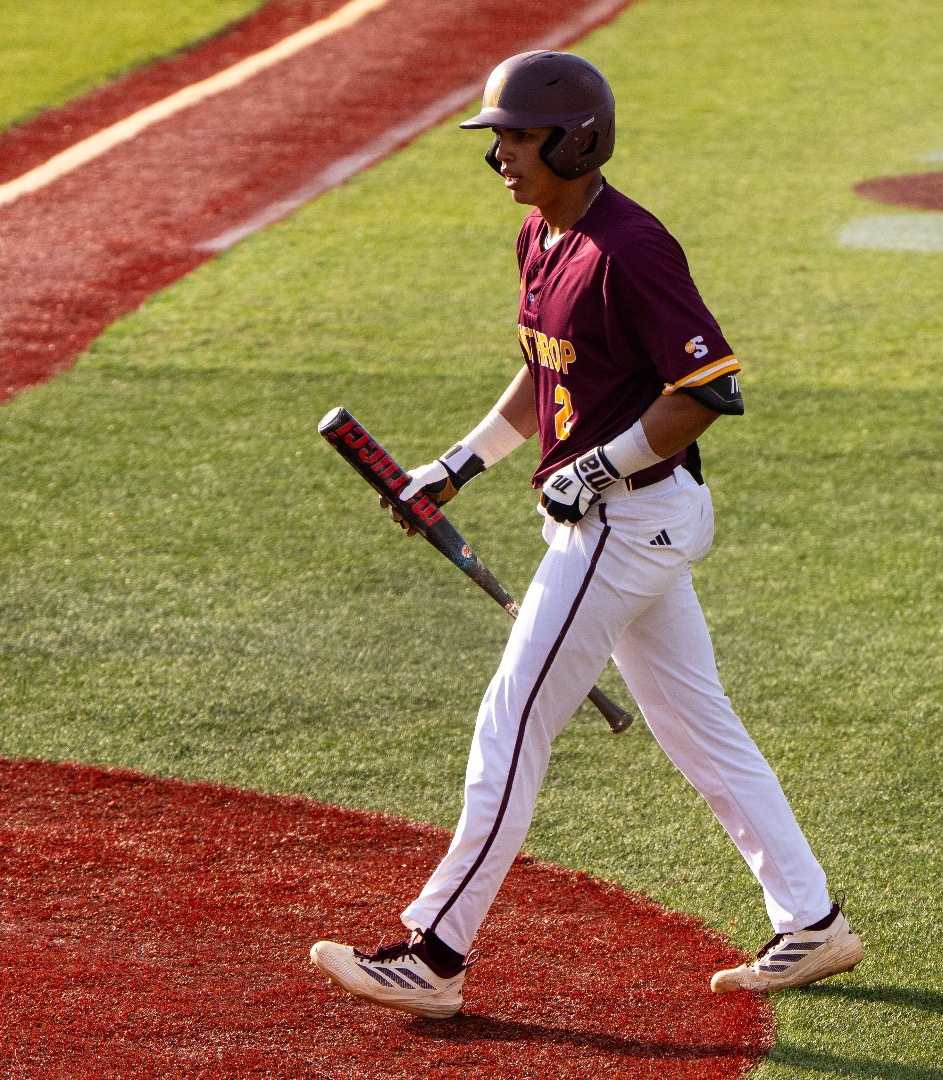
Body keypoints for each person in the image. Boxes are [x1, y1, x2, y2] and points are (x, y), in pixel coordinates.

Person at [309, 51, 861, 1019]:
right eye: (500, 141)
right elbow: (545, 372)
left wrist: (601, 466)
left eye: (519, 138)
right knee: (697, 725)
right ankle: (811, 920)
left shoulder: (630, 249)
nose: (504, 158)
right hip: (623, 520)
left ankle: (436, 954)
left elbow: (707, 392)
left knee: (511, 720)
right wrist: (456, 464)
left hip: (627, 519)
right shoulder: (540, 237)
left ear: (576, 139)